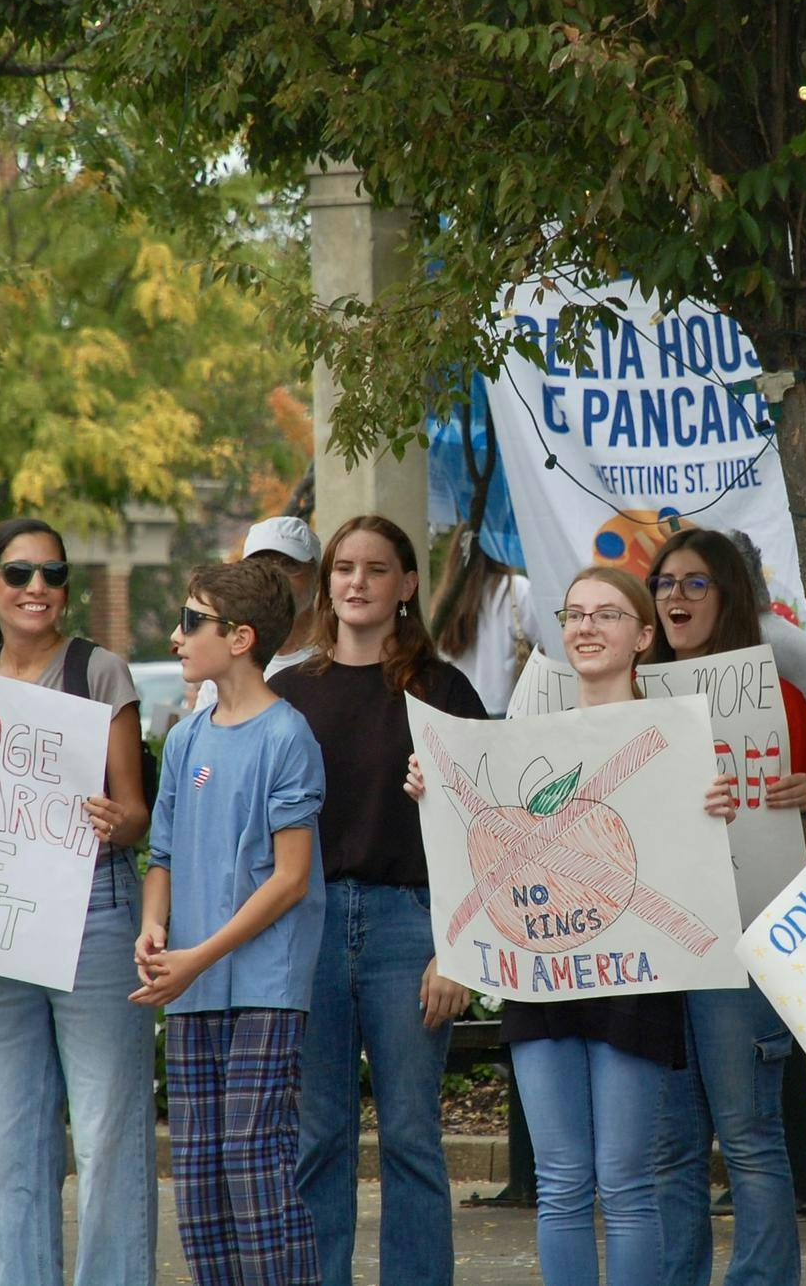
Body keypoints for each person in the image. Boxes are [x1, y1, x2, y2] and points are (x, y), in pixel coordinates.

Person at [410, 566, 736, 1286]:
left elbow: (693, 861)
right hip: (541, 975)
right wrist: (433, 788)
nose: (586, 627)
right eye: (575, 614)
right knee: (559, 1184)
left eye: (608, 615)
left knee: (624, 1185)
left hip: (634, 975)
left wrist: (713, 805)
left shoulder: (679, 741)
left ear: (643, 636)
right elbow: (479, 837)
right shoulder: (519, 744)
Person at [268, 515, 487, 1286]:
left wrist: (456, 949)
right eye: (343, 568)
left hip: (410, 925)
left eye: (376, 568)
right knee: (318, 1134)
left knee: (411, 1137)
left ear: (407, 585)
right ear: (326, 584)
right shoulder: (287, 692)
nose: (357, 582)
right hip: (309, 923)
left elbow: (486, 830)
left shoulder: (443, 689)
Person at [0, 518, 156, 1285]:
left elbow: (136, 812)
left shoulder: (97, 670)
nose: (37, 588)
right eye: (18, 575)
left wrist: (118, 820)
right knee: (6, 1141)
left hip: (93, 912)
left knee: (107, 1132)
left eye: (52, 573)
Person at [135, 558, 328, 1286]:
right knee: (201, 1185)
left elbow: (291, 877)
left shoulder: (288, 736)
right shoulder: (186, 737)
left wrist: (198, 956)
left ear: (241, 637)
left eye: (192, 621)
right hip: (192, 982)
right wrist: (155, 929)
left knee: (254, 1168)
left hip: (262, 985)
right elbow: (163, 855)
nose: (179, 635)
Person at [643, 530, 806, 1286]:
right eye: (665, 583)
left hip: (741, 950)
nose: (676, 598)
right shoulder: (630, 700)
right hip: (657, 952)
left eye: (695, 583)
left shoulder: (778, 699)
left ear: (730, 596)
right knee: (671, 1148)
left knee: (749, 1140)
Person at [195, 515, 322, 713]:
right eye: (261, 565)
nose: (276, 576)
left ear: (317, 575)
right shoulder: (228, 659)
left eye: (289, 564)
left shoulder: (340, 654)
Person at [434, 535, 540, 716]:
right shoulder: (517, 589)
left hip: (454, 712)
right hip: (505, 710)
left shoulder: (448, 595)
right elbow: (547, 643)